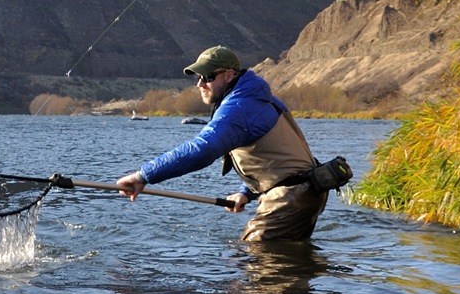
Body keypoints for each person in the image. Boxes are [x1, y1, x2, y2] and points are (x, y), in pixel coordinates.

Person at [116, 45, 328, 241]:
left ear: (229, 75)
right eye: (199, 77)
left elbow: (202, 150)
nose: (200, 84)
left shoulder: (239, 107)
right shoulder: (256, 98)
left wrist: (143, 175)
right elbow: (276, 156)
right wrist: (246, 192)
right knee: (272, 262)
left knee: (255, 259)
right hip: (307, 191)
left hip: (290, 196)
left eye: (207, 77)